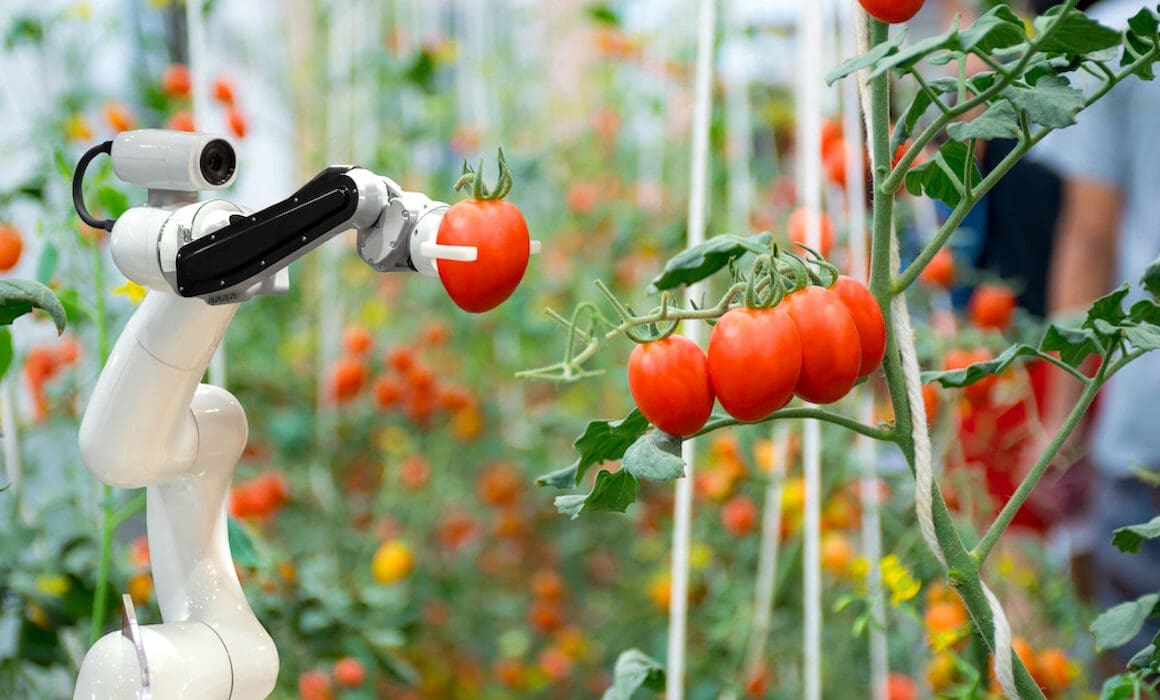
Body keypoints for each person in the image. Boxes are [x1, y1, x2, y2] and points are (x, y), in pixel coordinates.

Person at [1032, 0, 1160, 658]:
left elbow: (1089, 238)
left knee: (1139, 662)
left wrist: (1060, 423)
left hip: (1149, 432)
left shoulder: (1117, 35)